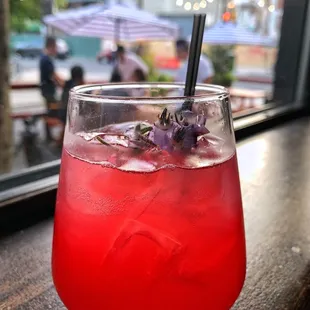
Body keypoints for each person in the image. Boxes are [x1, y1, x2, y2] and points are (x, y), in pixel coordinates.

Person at [39, 36, 64, 142]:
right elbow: (53, 75)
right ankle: (51, 138)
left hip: (46, 91)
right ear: (51, 46)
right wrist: (64, 84)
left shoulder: (43, 58)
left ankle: (49, 136)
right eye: (55, 47)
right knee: (53, 111)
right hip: (48, 92)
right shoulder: (46, 59)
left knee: (50, 110)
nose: (56, 49)